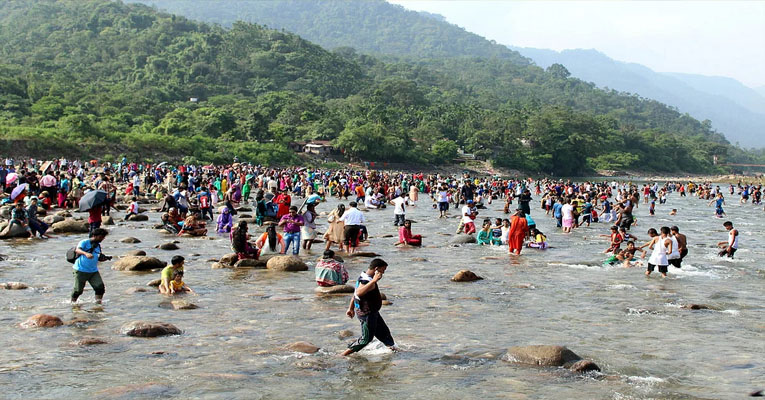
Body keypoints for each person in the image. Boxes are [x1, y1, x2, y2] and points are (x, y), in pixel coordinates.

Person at [342, 258, 396, 356]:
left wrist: (350, 308)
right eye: (382, 271)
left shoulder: (364, 276)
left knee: (383, 332)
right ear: (376, 269)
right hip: (367, 314)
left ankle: (392, 348)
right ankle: (344, 354)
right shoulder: (366, 281)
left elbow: (355, 294)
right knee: (366, 339)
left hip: (373, 312)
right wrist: (374, 280)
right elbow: (358, 292)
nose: (383, 274)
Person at [71, 228, 111, 304]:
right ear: (94, 236)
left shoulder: (98, 246)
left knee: (100, 288)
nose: (102, 238)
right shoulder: (85, 242)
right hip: (80, 270)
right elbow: (77, 250)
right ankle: (73, 303)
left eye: (103, 237)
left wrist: (104, 258)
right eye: (101, 237)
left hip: (93, 271)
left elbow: (97, 257)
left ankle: (98, 303)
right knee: (78, 290)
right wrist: (86, 253)